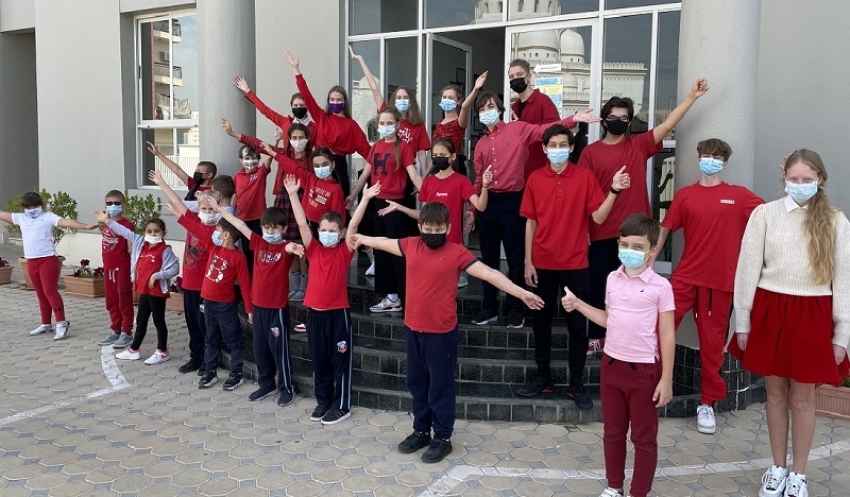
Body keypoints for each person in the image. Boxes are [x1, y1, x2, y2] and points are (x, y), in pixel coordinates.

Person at [351, 201, 544, 463]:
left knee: (440, 387)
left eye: (438, 229)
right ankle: (421, 430)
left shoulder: (457, 252)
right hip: (413, 330)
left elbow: (489, 273)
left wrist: (521, 293)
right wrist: (361, 238)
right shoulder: (410, 245)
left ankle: (442, 437)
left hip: (441, 334)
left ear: (448, 228)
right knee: (417, 384)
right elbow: (384, 242)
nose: (433, 233)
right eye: (428, 229)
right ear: (420, 227)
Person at [729, 150, 850, 497]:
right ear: (784, 177)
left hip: (813, 313)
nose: (799, 185)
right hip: (770, 310)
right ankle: (778, 468)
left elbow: (844, 279)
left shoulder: (836, 220)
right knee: (775, 393)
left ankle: (799, 474)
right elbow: (747, 269)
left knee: (802, 398)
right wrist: (743, 320)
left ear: (820, 179)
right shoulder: (764, 214)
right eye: (794, 179)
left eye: (807, 180)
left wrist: (842, 334)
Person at [580, 78, 710, 342]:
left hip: (637, 233)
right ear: (604, 121)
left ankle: (632, 338)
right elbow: (582, 197)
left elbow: (668, 124)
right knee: (602, 288)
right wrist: (583, 232)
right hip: (602, 232)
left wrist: (692, 97)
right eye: (613, 117)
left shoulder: (638, 146)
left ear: (630, 121)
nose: (618, 121)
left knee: (637, 291)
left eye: (624, 118)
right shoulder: (590, 154)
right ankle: (598, 337)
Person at [650, 138, 764, 434]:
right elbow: (666, 227)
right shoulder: (685, 195)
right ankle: (650, 387)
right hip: (685, 277)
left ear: (725, 162)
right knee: (657, 330)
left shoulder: (739, 196)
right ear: (698, 157)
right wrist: (651, 259)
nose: (711, 160)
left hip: (720, 282)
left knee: (712, 346)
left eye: (717, 156)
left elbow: (770, 218)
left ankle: (707, 403)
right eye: (706, 155)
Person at [561, 214, 675, 497]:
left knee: (643, 437)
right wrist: (578, 305)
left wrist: (666, 379)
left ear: (652, 250)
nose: (629, 251)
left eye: (637, 247)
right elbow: (607, 319)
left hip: (644, 370)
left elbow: (667, 335)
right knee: (613, 432)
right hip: (612, 365)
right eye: (624, 245)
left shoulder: (661, 287)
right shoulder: (613, 279)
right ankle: (614, 486)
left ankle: (639, 492)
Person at [519, 124, 630, 410]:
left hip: (576, 262)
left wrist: (613, 190)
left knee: (578, 326)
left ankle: (576, 383)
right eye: (552, 145)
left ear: (571, 148)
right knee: (540, 323)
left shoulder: (584, 177)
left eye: (562, 145)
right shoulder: (535, 178)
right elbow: (530, 222)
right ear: (544, 148)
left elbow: (599, 217)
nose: (557, 149)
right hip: (542, 262)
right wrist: (528, 261)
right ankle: (543, 377)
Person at [468, 91, 598, 328]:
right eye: (483, 109)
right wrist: (472, 211)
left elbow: (544, 130)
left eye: (491, 106)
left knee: (515, 259)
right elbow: (478, 180)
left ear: (500, 109)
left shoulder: (518, 129)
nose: (488, 112)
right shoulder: (481, 144)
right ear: (478, 114)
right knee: (488, 259)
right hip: (489, 204)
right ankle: (489, 308)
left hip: (513, 201)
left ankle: (515, 308)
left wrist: (573, 119)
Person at [286, 175, 373, 426]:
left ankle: (341, 405)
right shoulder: (313, 249)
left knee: (340, 362)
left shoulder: (344, 251)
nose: (326, 234)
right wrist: (292, 195)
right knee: (320, 361)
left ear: (340, 233)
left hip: (337, 316)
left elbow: (354, 224)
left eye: (332, 231)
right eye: (323, 230)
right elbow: (302, 224)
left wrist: (365, 199)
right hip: (315, 316)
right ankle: (323, 401)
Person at [153, 172, 253, 391]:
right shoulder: (210, 239)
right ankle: (205, 366)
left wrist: (249, 309)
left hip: (220, 299)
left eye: (211, 210)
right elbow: (190, 221)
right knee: (203, 332)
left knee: (223, 335)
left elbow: (245, 285)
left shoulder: (229, 250)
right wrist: (166, 192)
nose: (206, 214)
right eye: (203, 209)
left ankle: (229, 370)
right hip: (202, 294)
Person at [209, 199, 304, 406]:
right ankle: (266, 384)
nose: (270, 231)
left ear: (283, 229)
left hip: (276, 309)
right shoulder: (259, 243)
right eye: (266, 227)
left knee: (279, 351)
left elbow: (291, 246)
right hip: (258, 307)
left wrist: (295, 247)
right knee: (260, 349)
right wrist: (219, 210)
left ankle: (286, 388)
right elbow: (240, 224)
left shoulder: (284, 248)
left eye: (275, 228)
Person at [377, 138, 492, 288]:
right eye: (435, 155)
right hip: (430, 244)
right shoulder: (428, 183)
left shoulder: (461, 181)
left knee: (449, 290)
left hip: (452, 245)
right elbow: (423, 216)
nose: (438, 158)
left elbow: (481, 207)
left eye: (442, 155)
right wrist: (400, 208)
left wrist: (485, 186)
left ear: (452, 157)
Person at [223, 120, 312, 304]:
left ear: (307, 138)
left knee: (298, 243)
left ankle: (303, 287)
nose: (297, 141)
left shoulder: (310, 159)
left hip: (300, 200)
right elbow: (259, 145)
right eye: (294, 137)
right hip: (283, 199)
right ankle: (294, 286)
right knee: (284, 242)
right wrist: (233, 134)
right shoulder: (283, 153)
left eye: (301, 137)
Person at [349, 107, 423, 314]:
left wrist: (428, 194)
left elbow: (413, 173)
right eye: (382, 123)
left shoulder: (403, 147)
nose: (385, 127)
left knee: (397, 253)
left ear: (397, 125)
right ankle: (390, 296)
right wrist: (353, 195)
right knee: (380, 251)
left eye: (389, 123)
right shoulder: (377, 146)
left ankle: (406, 297)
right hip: (378, 203)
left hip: (395, 205)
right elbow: (366, 174)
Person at [0, 192, 97, 340]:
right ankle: (46, 324)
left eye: (34, 206)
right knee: (40, 293)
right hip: (31, 260)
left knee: (49, 290)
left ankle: (61, 323)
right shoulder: (21, 218)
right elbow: (2, 214)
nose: (31, 209)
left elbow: (67, 222)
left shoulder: (48, 217)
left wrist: (86, 226)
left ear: (40, 205)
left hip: (47, 259)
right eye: (27, 206)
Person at [285, 50, 373, 198]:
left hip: (337, 168)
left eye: (339, 100)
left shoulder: (351, 125)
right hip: (318, 163)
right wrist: (296, 68)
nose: (335, 102)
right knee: (315, 201)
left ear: (344, 102)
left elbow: (369, 153)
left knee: (337, 203)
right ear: (328, 101)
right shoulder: (322, 117)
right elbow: (306, 95)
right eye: (332, 99)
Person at [95, 212, 179, 365]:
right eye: (149, 231)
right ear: (144, 232)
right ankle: (134, 350)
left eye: (156, 231)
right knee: (141, 320)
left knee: (158, 320)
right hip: (144, 290)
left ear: (163, 233)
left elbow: (175, 268)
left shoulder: (165, 250)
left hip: (157, 292)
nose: (153, 234)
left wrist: (158, 276)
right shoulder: (140, 243)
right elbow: (123, 231)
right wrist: (107, 221)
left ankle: (162, 351)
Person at [349, 46, 431, 171]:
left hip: (409, 170)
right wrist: (360, 60)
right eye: (399, 97)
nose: (402, 100)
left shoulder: (418, 125)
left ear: (411, 101)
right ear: (394, 100)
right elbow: (374, 88)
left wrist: (424, 177)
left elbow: (422, 155)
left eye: (405, 97)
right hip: (389, 168)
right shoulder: (388, 116)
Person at [224, 123, 271, 275]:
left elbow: (270, 156)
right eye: (247, 158)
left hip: (258, 219)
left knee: (259, 251)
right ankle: (250, 282)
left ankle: (260, 279)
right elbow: (235, 195)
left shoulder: (260, 172)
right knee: (247, 252)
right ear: (240, 160)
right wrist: (230, 213)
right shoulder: (237, 176)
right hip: (243, 220)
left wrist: (275, 141)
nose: (251, 161)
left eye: (254, 158)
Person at [507, 59, 561, 180]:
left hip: (541, 171)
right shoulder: (514, 107)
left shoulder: (543, 102)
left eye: (519, 74)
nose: (515, 79)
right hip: (520, 174)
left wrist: (523, 127)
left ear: (529, 76)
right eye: (511, 77)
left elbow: (555, 133)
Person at [96, 190, 136, 349]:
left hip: (122, 268)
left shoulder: (127, 225)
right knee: (111, 300)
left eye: (116, 203)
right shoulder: (105, 224)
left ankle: (126, 331)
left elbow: (130, 247)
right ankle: (116, 329)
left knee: (123, 299)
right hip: (109, 268)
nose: (113, 206)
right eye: (109, 203)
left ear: (123, 205)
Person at [431, 72, 489, 176]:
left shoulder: (459, 122)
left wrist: (475, 89)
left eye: (450, 98)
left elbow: (465, 107)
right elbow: (436, 153)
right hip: (438, 166)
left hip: (454, 165)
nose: (447, 100)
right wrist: (425, 175)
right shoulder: (439, 124)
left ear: (458, 101)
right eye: (444, 97)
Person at [233, 75, 318, 140]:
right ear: (291, 107)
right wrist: (247, 90)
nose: (299, 107)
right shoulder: (285, 123)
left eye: (302, 105)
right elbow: (265, 110)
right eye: (295, 105)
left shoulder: (315, 128)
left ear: (307, 106)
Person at [145, 141, 216, 200]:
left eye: (199, 171)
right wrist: (158, 154)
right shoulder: (193, 184)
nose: (196, 173)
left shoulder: (214, 190)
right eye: (196, 171)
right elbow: (177, 170)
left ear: (209, 175)